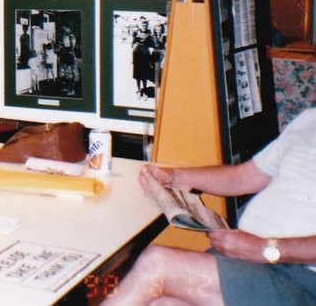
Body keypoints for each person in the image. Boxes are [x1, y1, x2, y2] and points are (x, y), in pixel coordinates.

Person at [109, 107, 316, 305]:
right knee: (161, 303)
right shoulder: (309, 120)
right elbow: (244, 177)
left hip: (300, 279)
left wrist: (264, 249)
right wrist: (175, 176)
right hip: (249, 263)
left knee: (155, 264)